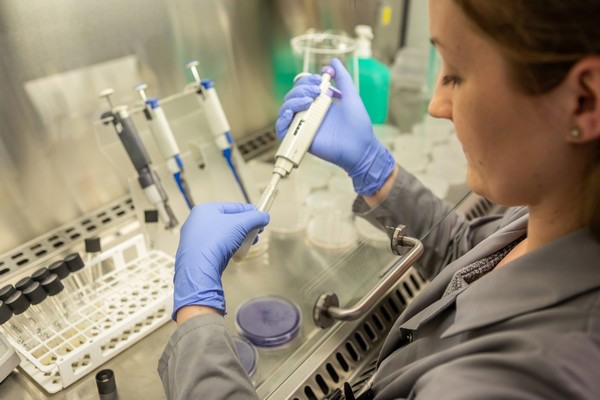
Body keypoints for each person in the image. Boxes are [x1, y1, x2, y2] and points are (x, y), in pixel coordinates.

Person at [158, 0, 600, 398]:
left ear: (583, 100)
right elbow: (471, 258)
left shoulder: (513, 382)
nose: (436, 105)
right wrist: (375, 169)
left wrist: (197, 314)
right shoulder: (561, 220)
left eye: (455, 74)